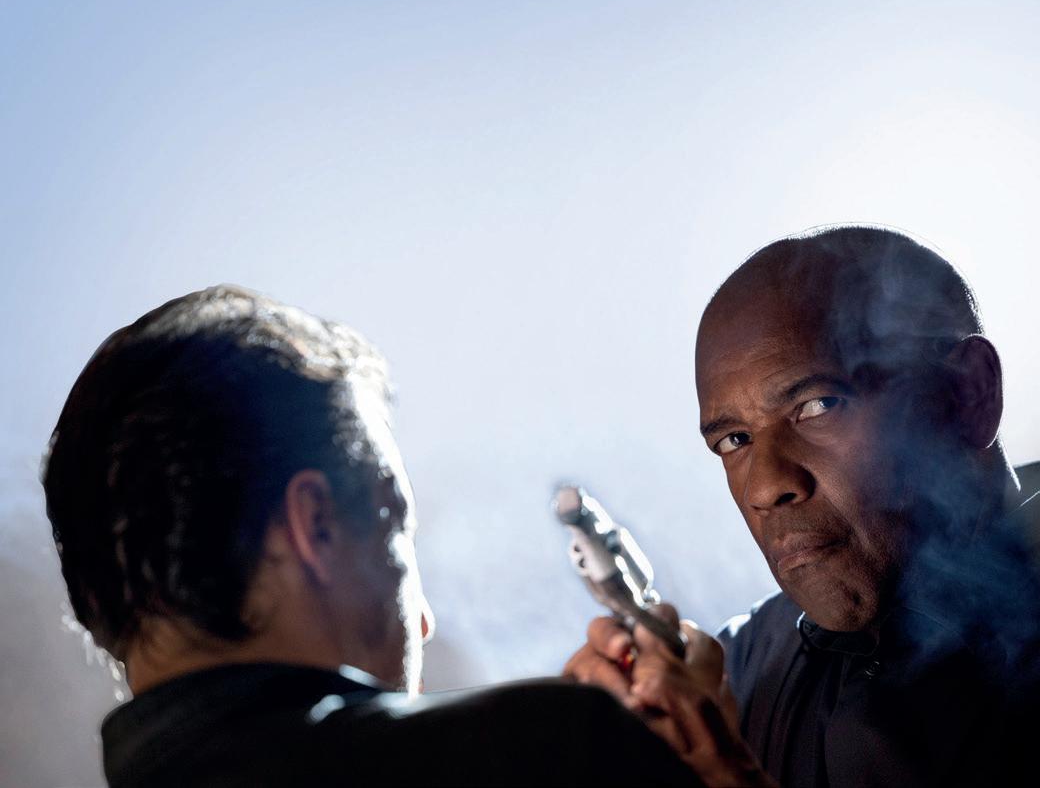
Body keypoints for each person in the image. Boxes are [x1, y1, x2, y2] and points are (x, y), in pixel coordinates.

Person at [42, 284, 710, 788]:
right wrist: (710, 757)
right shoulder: (558, 754)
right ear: (316, 524)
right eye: (395, 530)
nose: (423, 622)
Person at [565, 226, 1040, 787]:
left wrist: (728, 776)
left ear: (968, 394)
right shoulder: (749, 664)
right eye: (734, 441)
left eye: (818, 405)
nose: (766, 487)